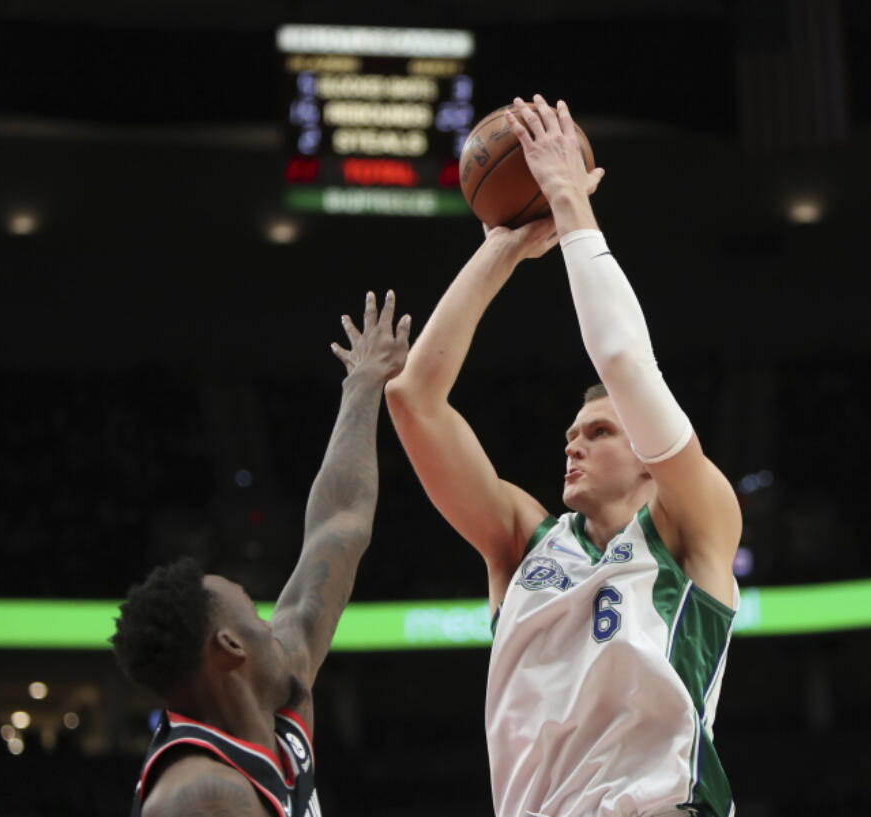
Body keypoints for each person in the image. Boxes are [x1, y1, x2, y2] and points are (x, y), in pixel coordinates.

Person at [386, 95, 742, 817]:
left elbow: (623, 360)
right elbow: (413, 398)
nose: (575, 440)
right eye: (572, 433)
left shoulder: (695, 523)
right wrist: (503, 246)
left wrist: (572, 205)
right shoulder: (523, 541)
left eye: (601, 431)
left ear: (649, 455)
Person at [112, 291, 411, 817]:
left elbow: (337, 528)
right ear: (230, 646)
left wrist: (363, 385)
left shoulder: (276, 707)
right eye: (253, 612)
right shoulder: (200, 795)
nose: (273, 622)